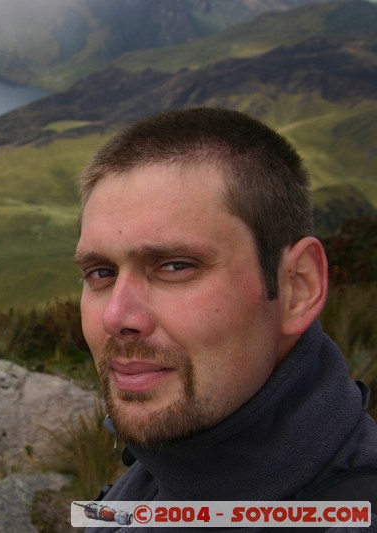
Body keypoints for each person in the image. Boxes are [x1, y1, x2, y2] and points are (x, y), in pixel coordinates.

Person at [74, 107, 377, 530]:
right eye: (100, 273)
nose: (116, 317)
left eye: (175, 266)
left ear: (297, 289)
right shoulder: (143, 488)